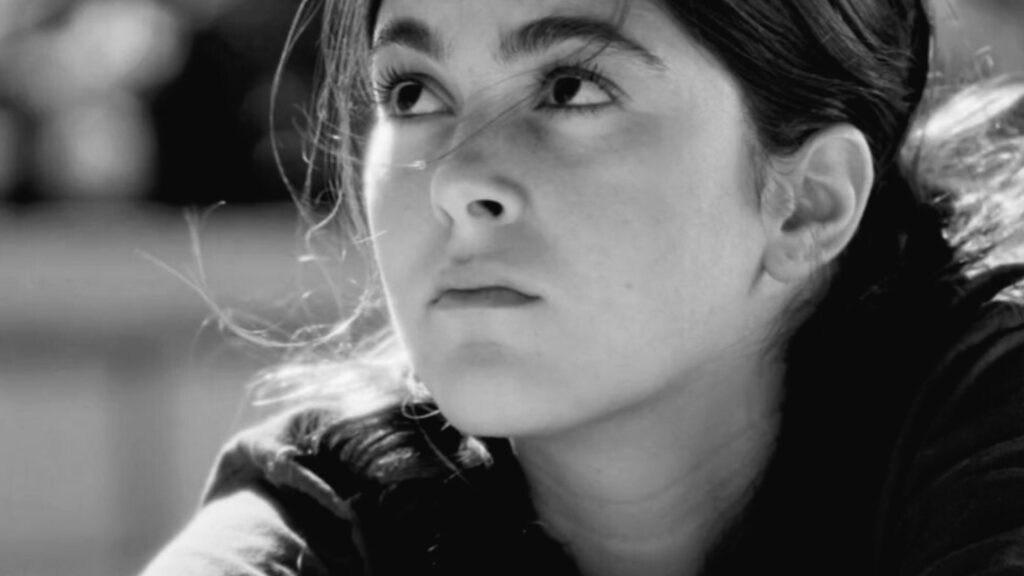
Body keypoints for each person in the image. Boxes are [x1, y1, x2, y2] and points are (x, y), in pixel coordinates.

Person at [139, 0, 1024, 574]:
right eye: (412, 92)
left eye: (569, 87)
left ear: (808, 203)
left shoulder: (993, 425)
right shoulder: (327, 520)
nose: (455, 179)